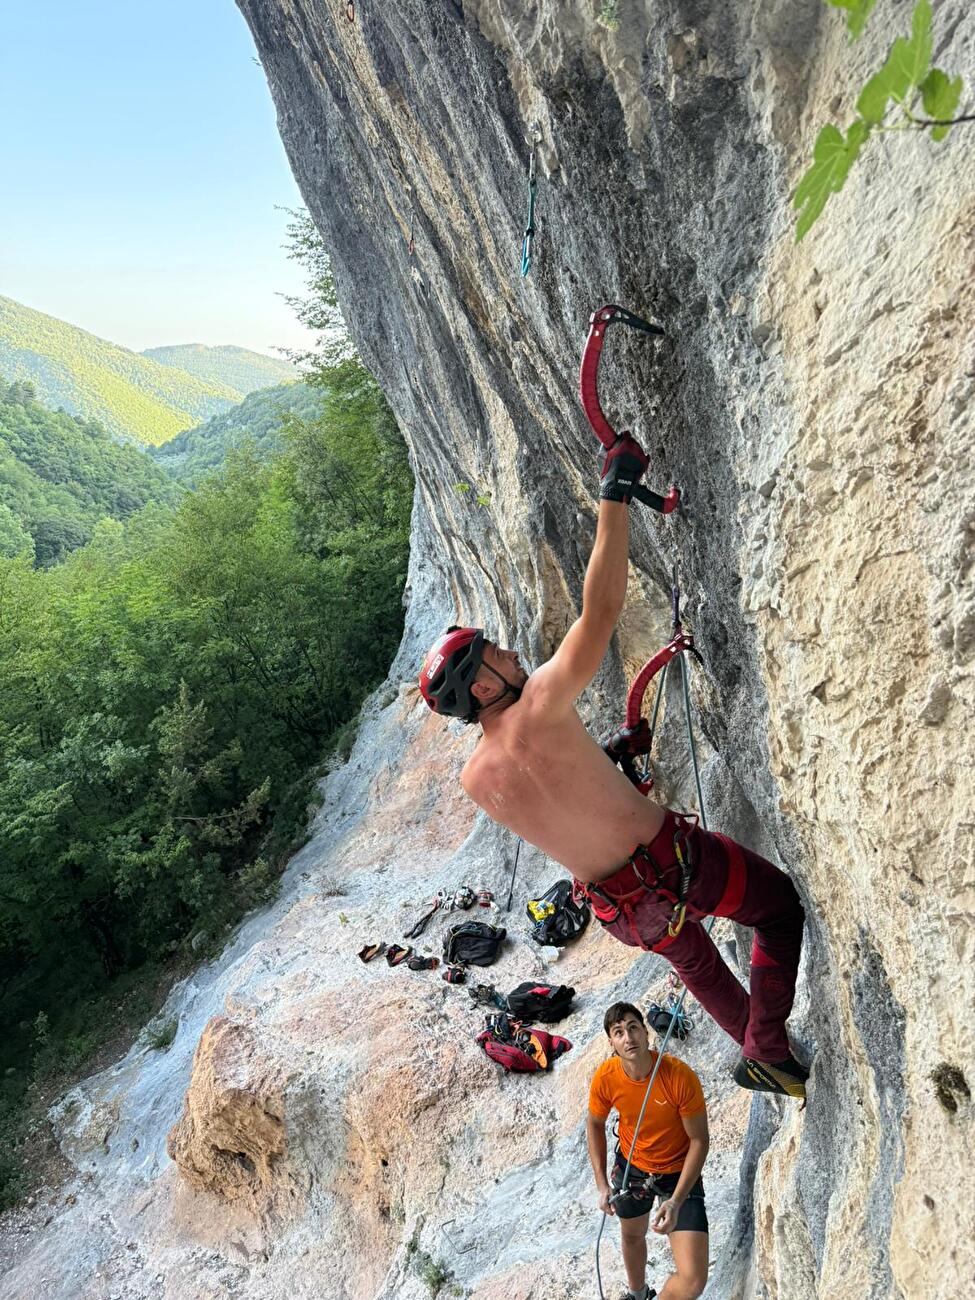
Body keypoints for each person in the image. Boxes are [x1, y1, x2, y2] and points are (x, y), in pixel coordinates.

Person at [418, 433, 808, 1097]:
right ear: (480, 688)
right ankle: (766, 1044)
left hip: (621, 908)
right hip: (673, 862)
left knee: (699, 967)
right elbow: (600, 611)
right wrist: (614, 497)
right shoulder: (537, 702)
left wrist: (606, 755)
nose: (509, 652)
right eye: (494, 655)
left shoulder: (474, 778)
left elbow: (560, 801)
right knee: (775, 909)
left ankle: (770, 1059)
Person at [588, 1002, 710, 1300]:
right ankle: (637, 1293)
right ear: (612, 1043)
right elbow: (594, 1124)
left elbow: (699, 1141)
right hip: (634, 1167)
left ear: (645, 1032)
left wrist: (677, 1201)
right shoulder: (606, 1077)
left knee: (693, 1280)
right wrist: (602, 1184)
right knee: (631, 1234)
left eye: (632, 1027)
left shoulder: (678, 1076)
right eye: (618, 1032)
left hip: (679, 1173)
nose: (628, 1037)